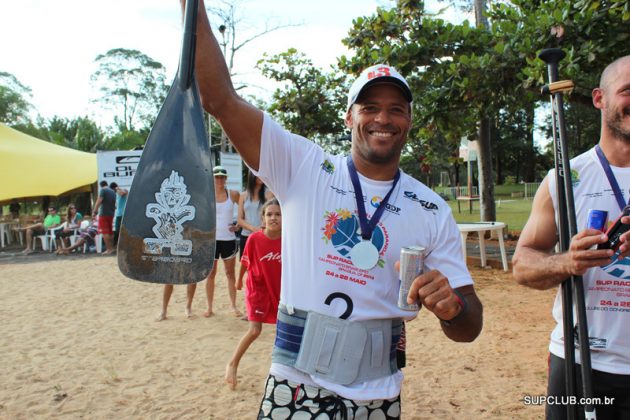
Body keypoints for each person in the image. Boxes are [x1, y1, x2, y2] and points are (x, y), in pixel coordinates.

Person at [181, 1, 483, 416]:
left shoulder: (430, 209)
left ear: (409, 120)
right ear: (349, 117)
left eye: (397, 109)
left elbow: (470, 326)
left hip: (378, 398)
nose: (383, 118)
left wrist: (453, 310)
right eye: (369, 107)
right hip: (295, 390)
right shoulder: (304, 166)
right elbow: (219, 98)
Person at [512, 56, 630, 419]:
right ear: (600, 99)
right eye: (628, 91)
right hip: (580, 363)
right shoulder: (565, 178)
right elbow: (522, 264)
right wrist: (568, 261)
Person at [226, 199, 282, 390]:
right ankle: (233, 363)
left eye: (278, 214)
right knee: (255, 330)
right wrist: (239, 280)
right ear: (263, 219)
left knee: (284, 333)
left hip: (279, 291)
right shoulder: (255, 239)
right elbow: (245, 261)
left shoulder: (290, 239)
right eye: (269, 214)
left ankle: (280, 375)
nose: (273, 218)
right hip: (257, 290)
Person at [203, 165, 242, 317]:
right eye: (217, 176)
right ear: (212, 178)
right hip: (211, 240)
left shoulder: (233, 194)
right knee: (210, 274)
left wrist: (238, 225)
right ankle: (209, 307)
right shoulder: (207, 195)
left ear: (226, 179)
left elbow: (244, 207)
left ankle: (233, 306)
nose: (219, 179)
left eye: (222, 177)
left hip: (228, 239)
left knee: (230, 274)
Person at [92, 181, 116, 254]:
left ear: (101, 185)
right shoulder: (112, 191)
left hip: (104, 213)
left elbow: (99, 200)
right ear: (107, 184)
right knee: (110, 231)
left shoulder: (103, 190)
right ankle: (112, 248)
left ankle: (109, 249)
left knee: (105, 231)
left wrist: (95, 211)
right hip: (111, 213)